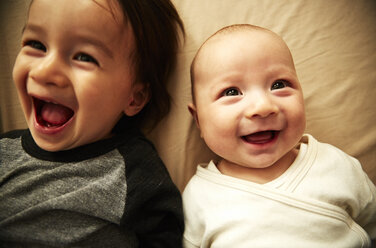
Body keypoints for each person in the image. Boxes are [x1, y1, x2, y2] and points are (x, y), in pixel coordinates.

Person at [0, 0, 184, 247]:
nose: (43, 72)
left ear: (134, 97)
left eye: (84, 57)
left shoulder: (134, 171)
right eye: (36, 45)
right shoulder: (4, 152)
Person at [183, 24, 376, 248]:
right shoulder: (199, 196)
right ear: (198, 120)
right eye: (232, 92)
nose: (263, 107)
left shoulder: (335, 165)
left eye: (279, 85)